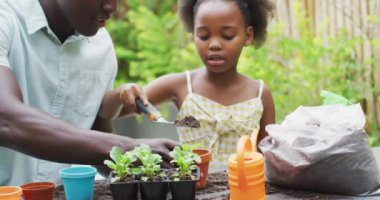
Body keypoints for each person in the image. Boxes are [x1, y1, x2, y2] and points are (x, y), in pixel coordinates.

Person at [0, 0, 178, 186]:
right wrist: (128, 148)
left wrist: (159, 164)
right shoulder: (6, 17)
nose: (112, 8)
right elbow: (6, 119)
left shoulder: (101, 46)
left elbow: (98, 153)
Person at [141, 0, 275, 172]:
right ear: (193, 36)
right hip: (192, 191)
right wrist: (125, 91)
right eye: (204, 36)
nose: (214, 45)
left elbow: (268, 161)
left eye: (227, 36)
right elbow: (109, 109)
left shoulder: (259, 94)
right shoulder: (181, 85)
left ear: (247, 36)